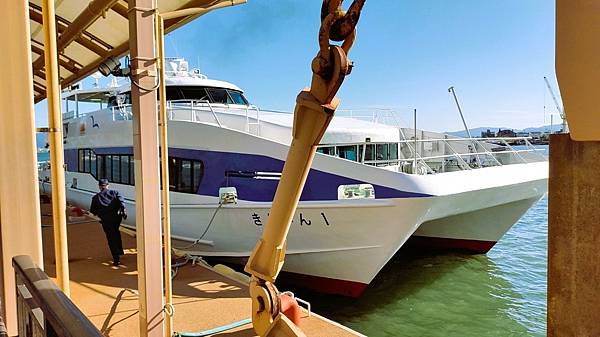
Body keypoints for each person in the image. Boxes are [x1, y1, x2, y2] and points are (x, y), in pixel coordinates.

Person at [90, 178, 127, 266]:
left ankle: (116, 258)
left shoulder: (95, 197)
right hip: (116, 219)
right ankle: (120, 251)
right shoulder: (115, 193)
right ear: (108, 185)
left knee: (111, 238)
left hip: (106, 221)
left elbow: (93, 211)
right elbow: (122, 203)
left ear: (99, 186)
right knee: (116, 233)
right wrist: (124, 211)